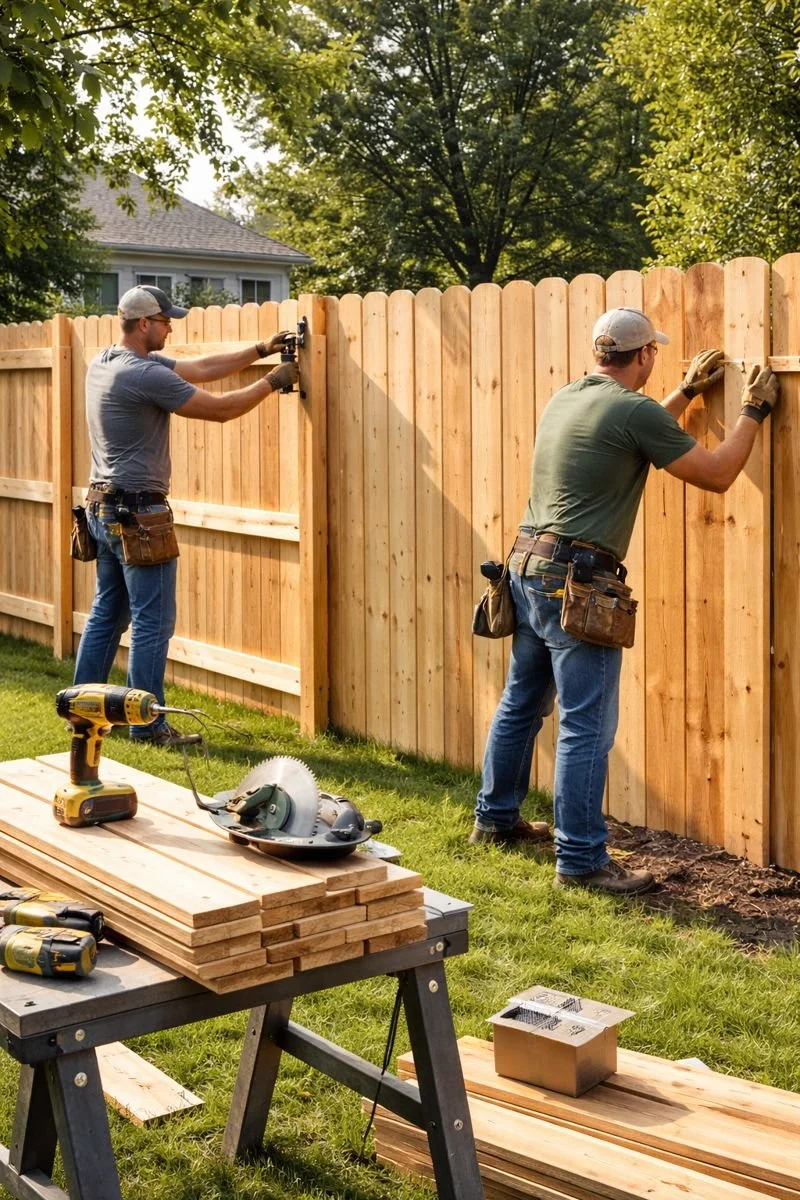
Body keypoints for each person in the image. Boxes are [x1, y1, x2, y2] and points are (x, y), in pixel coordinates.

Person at [470, 306, 779, 894]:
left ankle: (496, 821)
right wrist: (752, 413)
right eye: (653, 353)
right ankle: (583, 861)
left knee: (520, 705)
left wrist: (685, 392)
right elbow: (715, 473)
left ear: (599, 352)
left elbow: (631, 433)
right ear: (642, 356)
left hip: (527, 569)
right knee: (586, 726)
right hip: (577, 582)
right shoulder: (632, 410)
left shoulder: (569, 397)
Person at [73, 284, 299, 747]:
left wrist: (259, 350)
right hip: (139, 515)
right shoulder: (142, 375)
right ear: (143, 324)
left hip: (102, 507)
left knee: (107, 614)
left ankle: (82, 708)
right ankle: (147, 725)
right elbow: (217, 410)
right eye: (164, 321)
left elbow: (198, 369)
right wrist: (273, 381)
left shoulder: (107, 362)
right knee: (153, 621)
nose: (170, 327)